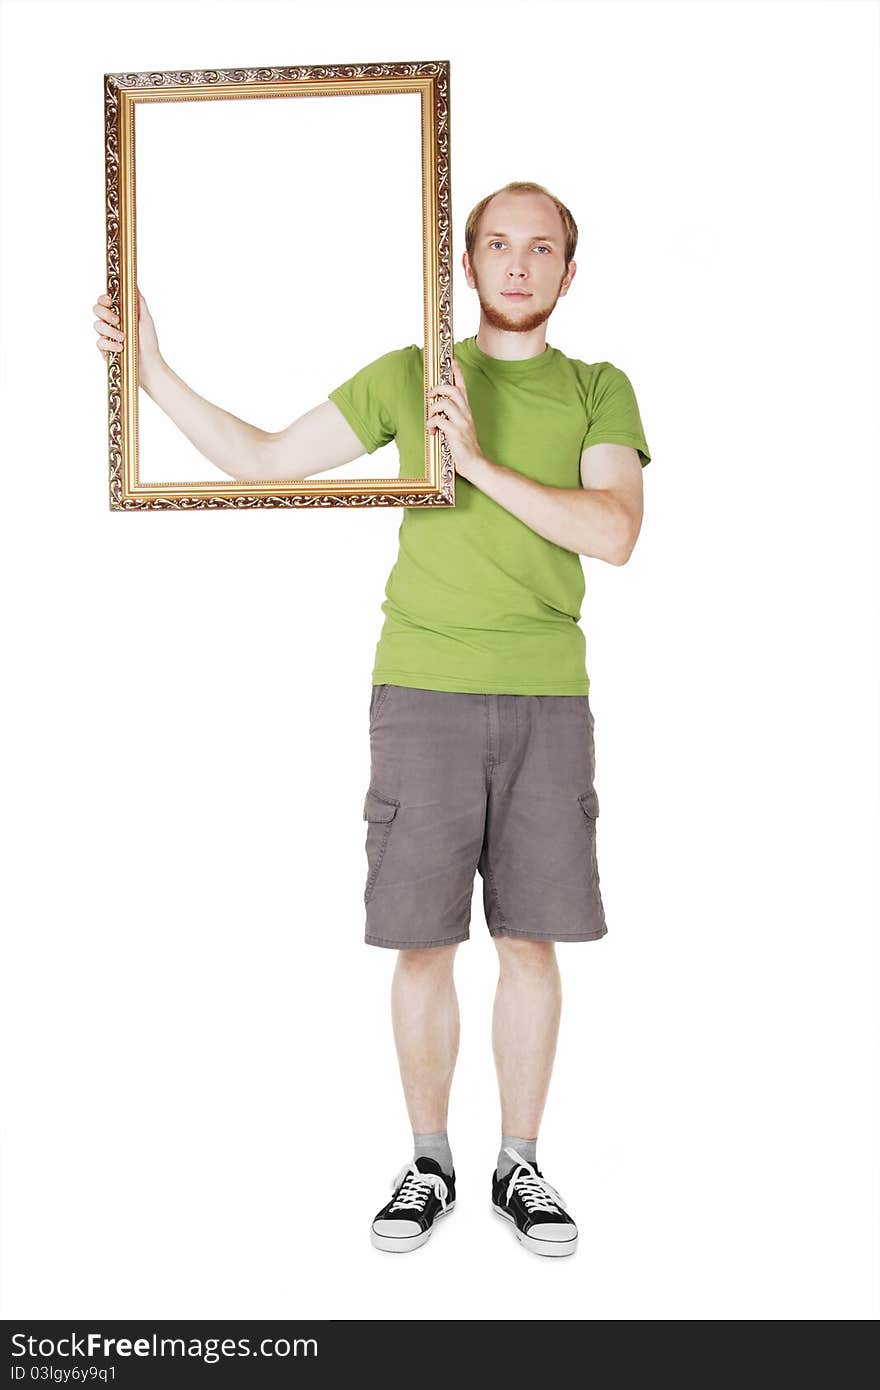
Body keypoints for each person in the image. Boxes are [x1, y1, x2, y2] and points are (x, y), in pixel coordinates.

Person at [92, 180, 651, 1260]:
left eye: (541, 249)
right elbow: (256, 459)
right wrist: (148, 369)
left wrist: (474, 460)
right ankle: (430, 1161)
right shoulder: (413, 375)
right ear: (467, 261)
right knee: (421, 939)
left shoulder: (598, 388)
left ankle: (519, 1165)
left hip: (545, 691)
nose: (519, 265)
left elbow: (615, 531)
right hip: (419, 692)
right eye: (498, 244)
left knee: (531, 940)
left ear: (569, 274)